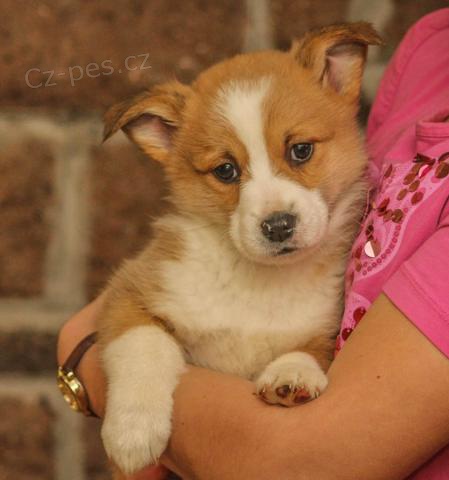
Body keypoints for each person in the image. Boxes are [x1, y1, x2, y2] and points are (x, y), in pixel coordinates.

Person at [57, 8, 449, 479]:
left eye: (300, 152)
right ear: (165, 139)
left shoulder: (327, 284)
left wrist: (302, 358)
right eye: (226, 171)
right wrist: (138, 393)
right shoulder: (431, 48)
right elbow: (131, 310)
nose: (273, 212)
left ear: (336, 79)